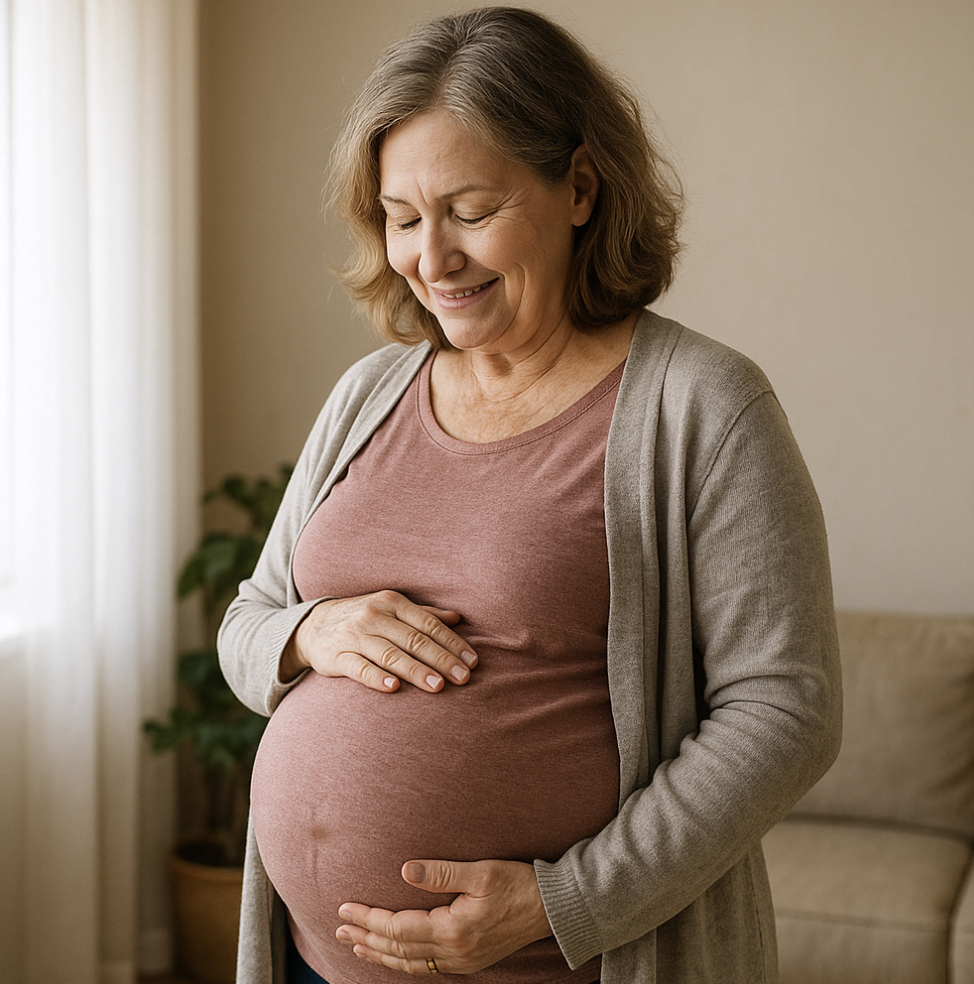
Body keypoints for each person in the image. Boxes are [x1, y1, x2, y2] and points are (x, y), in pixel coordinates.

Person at [218, 7, 842, 984]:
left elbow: (784, 712)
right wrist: (312, 632)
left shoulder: (702, 407)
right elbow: (246, 623)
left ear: (579, 188)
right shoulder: (367, 393)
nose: (431, 258)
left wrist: (563, 905)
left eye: (468, 210)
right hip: (313, 963)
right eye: (401, 216)